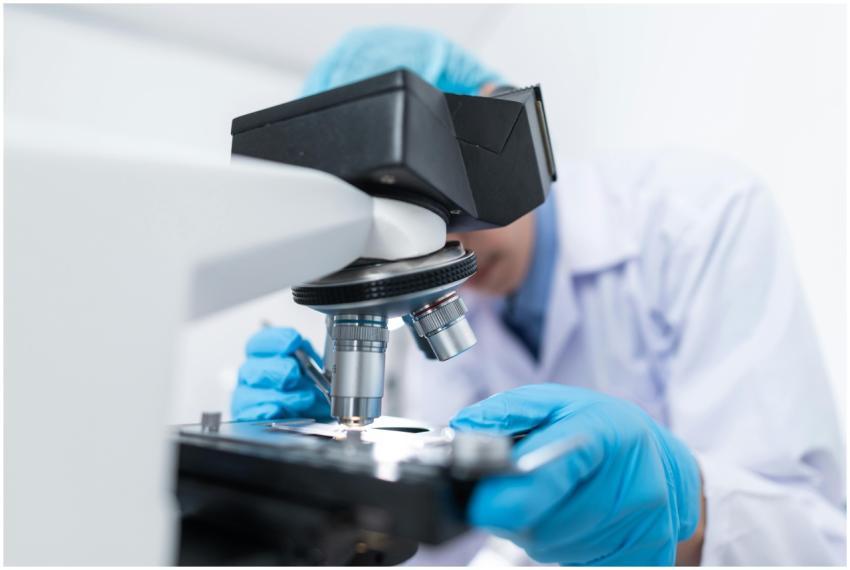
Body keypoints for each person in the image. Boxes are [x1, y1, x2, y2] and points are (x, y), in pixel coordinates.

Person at [231, 27, 846, 565]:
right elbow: (450, 541)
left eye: (441, 226)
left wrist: (685, 506)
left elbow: (816, 538)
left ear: (505, 137)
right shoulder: (445, 302)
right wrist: (329, 496)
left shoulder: (699, 218)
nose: (445, 262)